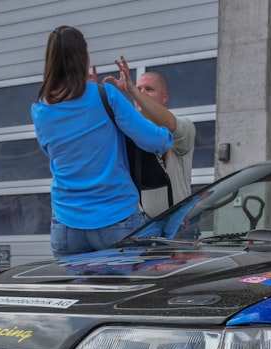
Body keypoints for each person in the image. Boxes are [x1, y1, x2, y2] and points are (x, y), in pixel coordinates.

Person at [31, 26, 173, 258]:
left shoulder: (40, 108)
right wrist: (167, 137)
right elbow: (152, 140)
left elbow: (54, 153)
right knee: (126, 294)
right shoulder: (105, 94)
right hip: (116, 219)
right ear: (84, 57)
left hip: (66, 224)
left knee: (77, 295)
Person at [108, 56, 195, 217]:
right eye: (139, 89)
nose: (142, 93)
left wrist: (132, 90)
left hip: (177, 227)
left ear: (165, 97)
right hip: (139, 228)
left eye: (149, 89)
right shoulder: (127, 133)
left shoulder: (185, 126)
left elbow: (170, 125)